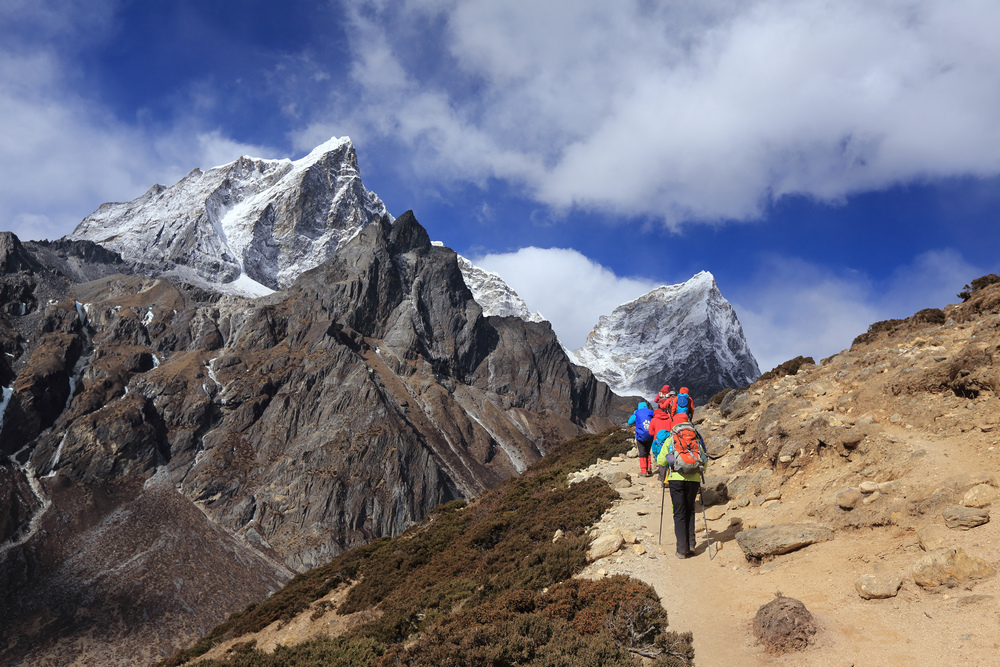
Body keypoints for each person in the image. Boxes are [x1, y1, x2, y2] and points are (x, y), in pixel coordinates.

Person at [655, 414, 706, 559]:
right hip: (694, 479)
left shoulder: (671, 439)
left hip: (676, 479)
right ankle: (691, 545)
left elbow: (661, 460)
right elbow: (703, 459)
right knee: (690, 510)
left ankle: (682, 550)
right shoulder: (695, 437)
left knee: (679, 513)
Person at [627, 401, 656, 477]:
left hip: (640, 436)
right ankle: (649, 467)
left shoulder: (637, 413)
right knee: (647, 451)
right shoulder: (651, 412)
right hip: (650, 435)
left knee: (642, 452)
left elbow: (629, 422)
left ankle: (643, 471)